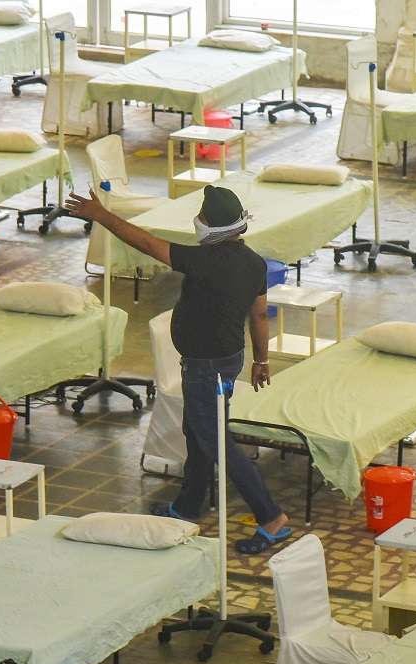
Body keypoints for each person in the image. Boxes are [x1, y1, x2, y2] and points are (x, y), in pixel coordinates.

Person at [65, 184, 291, 554]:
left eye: (201, 217)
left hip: (205, 366)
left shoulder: (205, 260)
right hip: (228, 361)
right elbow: (259, 315)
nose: (197, 221)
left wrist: (102, 215)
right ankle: (187, 507)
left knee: (215, 439)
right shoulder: (254, 263)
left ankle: (271, 517)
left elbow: (147, 243)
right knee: (198, 431)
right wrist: (262, 360)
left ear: (214, 226)